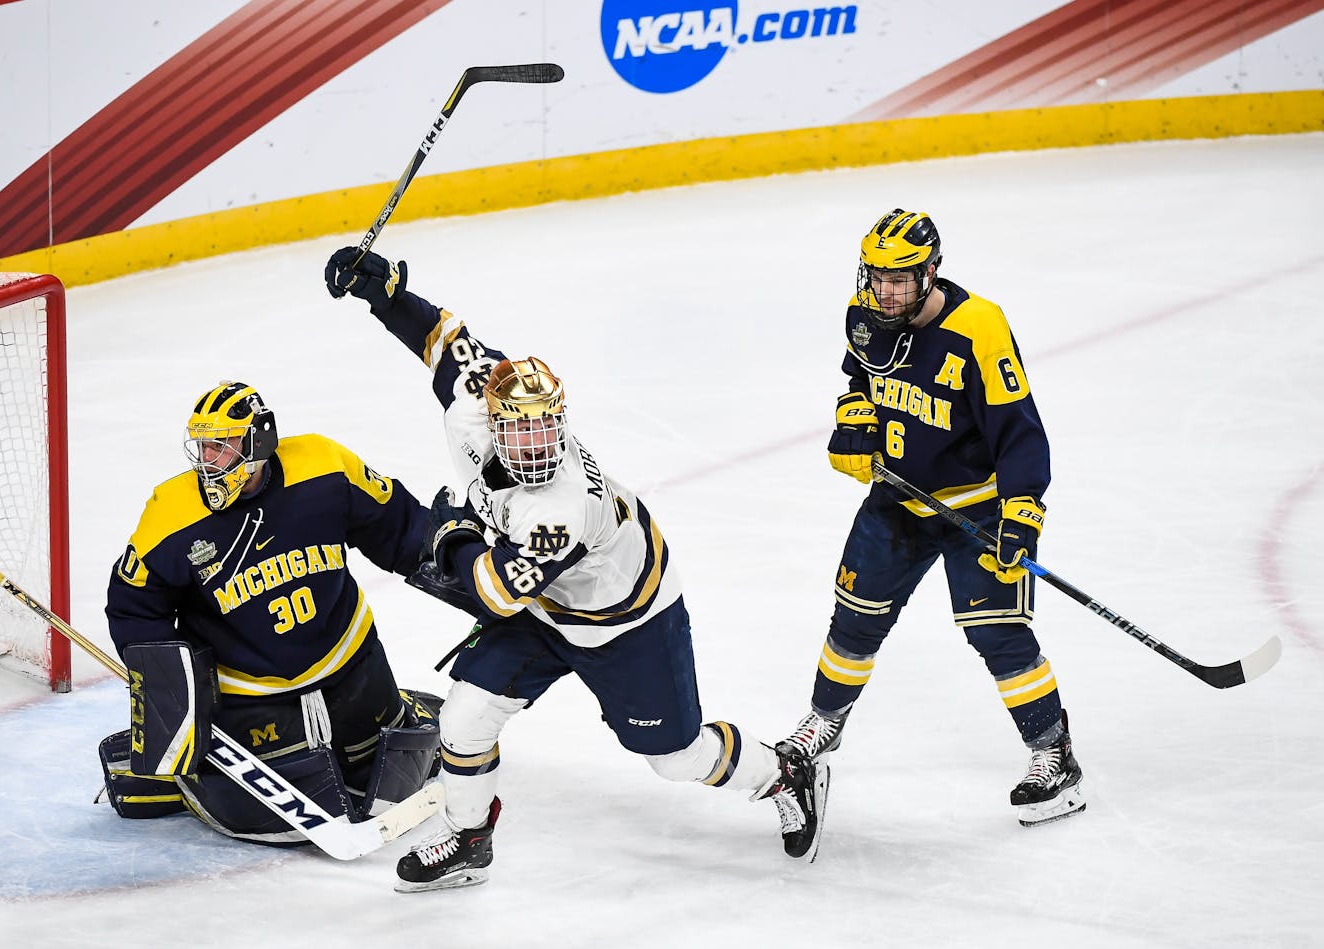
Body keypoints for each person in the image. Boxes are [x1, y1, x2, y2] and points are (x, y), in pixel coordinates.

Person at [325, 246, 830, 892]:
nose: (538, 446)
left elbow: (494, 590)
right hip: (546, 610)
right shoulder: (473, 407)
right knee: (463, 717)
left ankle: (783, 771)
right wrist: (384, 294)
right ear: (496, 420)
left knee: (675, 758)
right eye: (523, 432)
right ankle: (470, 836)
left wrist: (452, 535)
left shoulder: (562, 507)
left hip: (629, 619)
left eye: (547, 430)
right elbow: (442, 339)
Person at [776, 208, 1085, 827]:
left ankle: (1054, 755)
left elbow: (1019, 428)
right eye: (877, 277)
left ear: (930, 273)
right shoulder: (863, 315)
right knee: (854, 621)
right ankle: (825, 724)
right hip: (898, 501)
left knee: (996, 631)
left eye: (901, 278)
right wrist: (854, 429)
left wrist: (1021, 514)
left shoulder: (979, 326)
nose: (885, 291)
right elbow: (858, 383)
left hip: (978, 506)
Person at [98, 381, 443, 846]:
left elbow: (399, 527)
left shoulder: (323, 465)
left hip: (351, 664)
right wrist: (169, 688)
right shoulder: (171, 514)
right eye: (203, 447)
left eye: (222, 446)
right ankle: (176, 773)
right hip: (250, 692)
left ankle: (392, 713)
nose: (209, 461)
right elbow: (133, 607)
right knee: (273, 814)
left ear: (258, 442)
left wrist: (462, 564)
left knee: (393, 775)